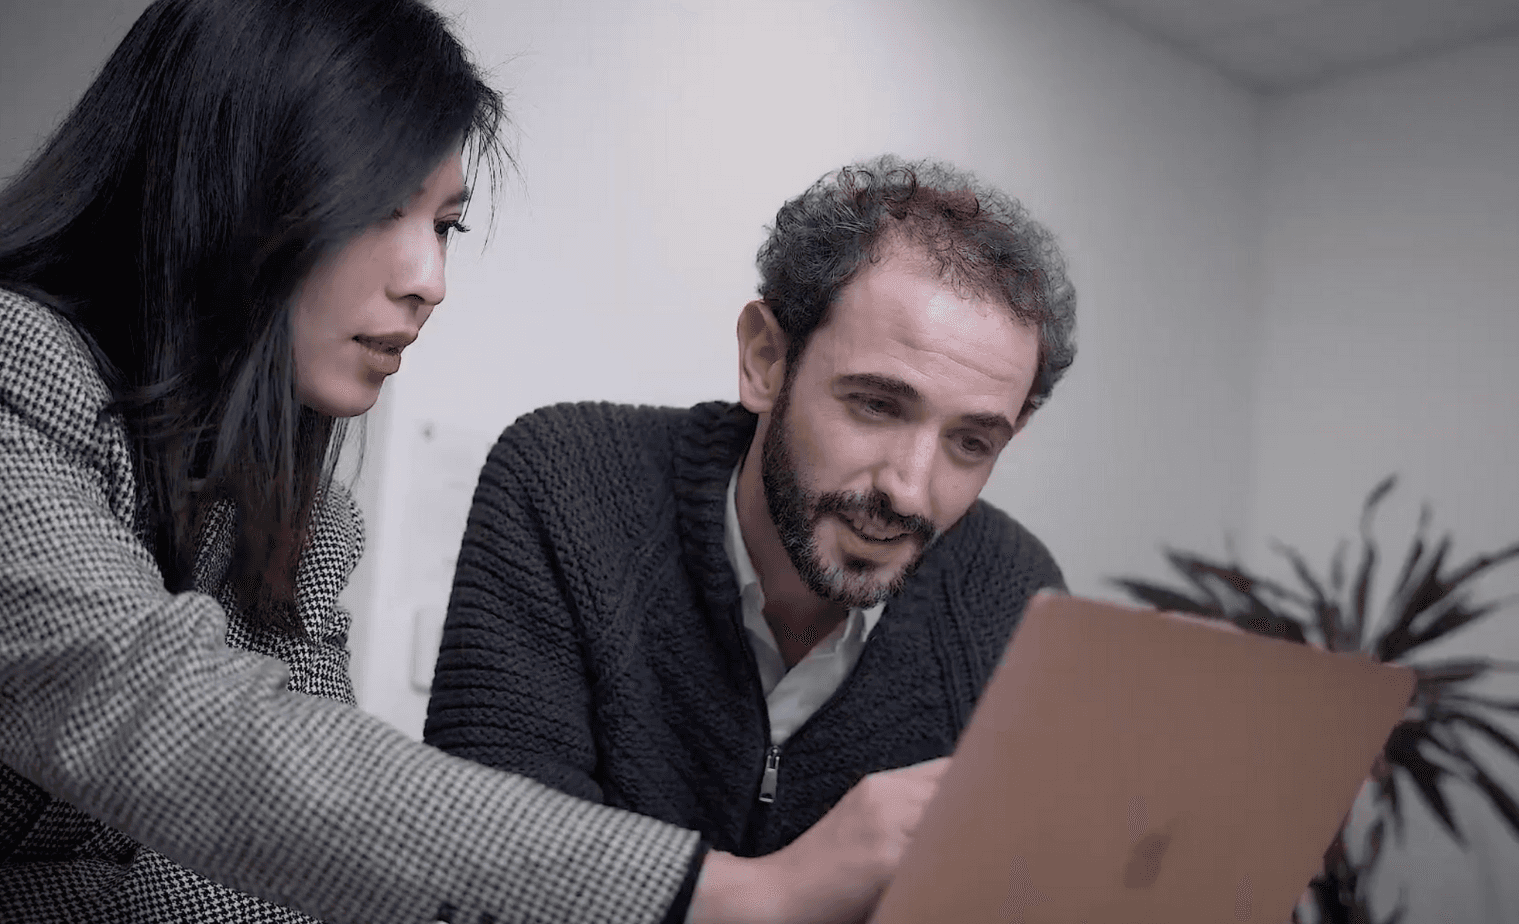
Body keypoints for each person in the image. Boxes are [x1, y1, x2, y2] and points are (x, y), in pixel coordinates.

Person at [0, 2, 944, 922]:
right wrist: (722, 895)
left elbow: (310, 844)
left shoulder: (305, 516)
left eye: (446, 225)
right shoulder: (16, 367)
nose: (429, 280)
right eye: (380, 207)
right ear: (223, 183)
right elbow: (179, 731)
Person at [422, 155, 1076, 858]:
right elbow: (483, 868)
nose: (910, 490)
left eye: (971, 443)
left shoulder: (1013, 599)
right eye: (877, 406)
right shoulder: (569, 482)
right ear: (766, 359)